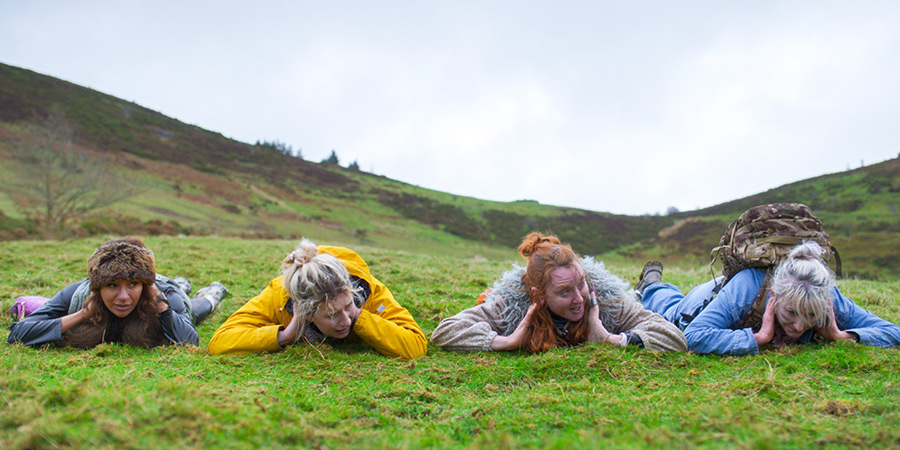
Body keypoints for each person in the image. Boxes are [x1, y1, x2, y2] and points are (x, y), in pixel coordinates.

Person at [430, 233, 687, 353]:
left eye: (581, 284)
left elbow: (675, 338)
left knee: (655, 297)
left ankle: (650, 282)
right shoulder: (510, 306)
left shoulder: (606, 301)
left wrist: (611, 338)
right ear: (539, 296)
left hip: (640, 302)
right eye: (564, 292)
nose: (579, 298)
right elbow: (445, 331)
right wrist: (505, 341)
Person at [637, 242, 900, 355]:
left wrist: (843, 336)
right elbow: (694, 335)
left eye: (811, 316)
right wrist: (757, 338)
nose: (799, 326)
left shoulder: (825, 297)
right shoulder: (746, 290)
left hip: (723, 299)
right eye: (791, 313)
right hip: (701, 302)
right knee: (667, 305)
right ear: (775, 295)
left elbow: (892, 332)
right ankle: (650, 284)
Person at [207, 238, 427, 360]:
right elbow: (220, 341)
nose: (345, 321)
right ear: (306, 312)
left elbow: (416, 345)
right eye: (332, 315)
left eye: (347, 306)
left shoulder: (368, 288)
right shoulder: (279, 296)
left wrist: (360, 317)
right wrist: (284, 335)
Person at [7, 237, 228, 348]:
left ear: (143, 285)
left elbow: (190, 341)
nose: (123, 297)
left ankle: (213, 292)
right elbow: (18, 333)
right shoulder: (78, 293)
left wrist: (162, 309)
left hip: (167, 291)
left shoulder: (162, 297)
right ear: (97, 287)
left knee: (199, 308)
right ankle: (183, 282)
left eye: (132, 284)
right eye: (112, 286)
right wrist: (82, 315)